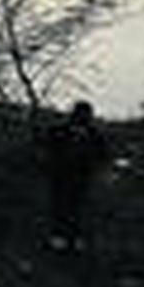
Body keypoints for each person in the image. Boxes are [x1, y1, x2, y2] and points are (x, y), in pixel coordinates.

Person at [39, 100, 110, 253]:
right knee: (62, 207)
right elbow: (47, 148)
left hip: (80, 177)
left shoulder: (93, 135)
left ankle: (73, 238)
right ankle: (61, 237)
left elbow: (102, 154)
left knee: (76, 208)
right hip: (62, 175)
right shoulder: (60, 131)